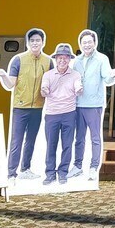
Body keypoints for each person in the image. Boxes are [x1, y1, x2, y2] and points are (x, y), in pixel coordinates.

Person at [0, 28, 52, 183]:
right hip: (20, 107)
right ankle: (11, 173)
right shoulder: (19, 59)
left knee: (31, 140)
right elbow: (10, 84)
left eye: (38, 40)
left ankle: (25, 169)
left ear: (43, 42)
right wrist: (3, 75)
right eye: (32, 40)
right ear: (28, 43)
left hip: (38, 107)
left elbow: (52, 82)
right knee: (16, 141)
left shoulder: (48, 61)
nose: (35, 43)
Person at [68, 29, 115, 181]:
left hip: (94, 104)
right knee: (79, 138)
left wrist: (113, 75)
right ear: (80, 44)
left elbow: (107, 78)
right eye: (84, 42)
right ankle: (77, 166)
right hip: (78, 104)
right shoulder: (76, 61)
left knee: (95, 138)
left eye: (89, 42)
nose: (87, 45)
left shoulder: (101, 59)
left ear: (95, 43)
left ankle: (93, 167)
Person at [40, 42, 83, 185]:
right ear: (56, 59)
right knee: (51, 145)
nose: (62, 60)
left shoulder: (75, 75)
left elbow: (78, 86)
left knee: (67, 145)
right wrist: (44, 90)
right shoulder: (48, 75)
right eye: (60, 57)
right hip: (52, 114)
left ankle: (63, 173)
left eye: (65, 57)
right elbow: (44, 89)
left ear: (69, 59)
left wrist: (79, 89)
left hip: (69, 114)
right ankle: (50, 174)